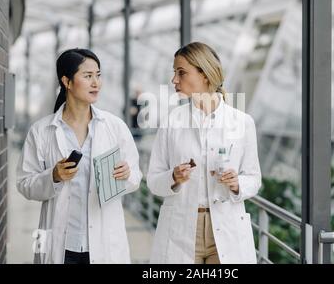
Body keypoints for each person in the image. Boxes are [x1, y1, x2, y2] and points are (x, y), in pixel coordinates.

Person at [16, 48, 142, 264]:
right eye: (88, 76)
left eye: (98, 75)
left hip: (104, 245)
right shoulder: (42, 131)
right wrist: (53, 176)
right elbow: (24, 183)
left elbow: (135, 178)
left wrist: (126, 175)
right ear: (67, 81)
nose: (96, 83)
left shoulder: (115, 127)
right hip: (62, 247)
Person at [147, 42, 261, 264]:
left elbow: (254, 179)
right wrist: (173, 177)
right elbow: (153, 180)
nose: (174, 80)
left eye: (181, 72)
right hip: (182, 227)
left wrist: (237, 183)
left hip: (227, 228)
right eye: (174, 72)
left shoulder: (242, 123)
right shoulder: (172, 121)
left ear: (205, 74)